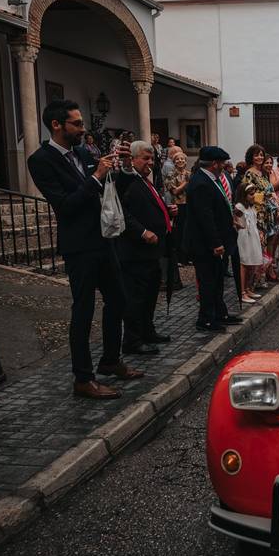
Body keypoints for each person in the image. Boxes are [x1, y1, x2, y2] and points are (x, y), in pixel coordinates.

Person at [28, 100, 142, 399]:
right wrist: (96, 177)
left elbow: (108, 189)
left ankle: (110, 360)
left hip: (103, 241)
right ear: (57, 125)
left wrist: (125, 168)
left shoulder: (81, 152)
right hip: (79, 246)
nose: (83, 128)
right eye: (76, 124)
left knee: (118, 299)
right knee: (83, 311)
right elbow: (66, 206)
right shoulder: (40, 160)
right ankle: (82, 378)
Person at [117, 141, 176, 355]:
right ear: (131, 160)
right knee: (135, 298)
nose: (150, 163)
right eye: (145, 158)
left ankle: (147, 331)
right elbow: (123, 212)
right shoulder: (126, 180)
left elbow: (149, 207)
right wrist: (142, 232)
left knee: (150, 295)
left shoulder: (145, 181)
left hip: (152, 252)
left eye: (152, 159)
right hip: (135, 252)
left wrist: (167, 211)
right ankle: (132, 341)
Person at [182, 146, 244, 332]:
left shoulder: (212, 180)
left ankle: (219, 313)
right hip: (205, 245)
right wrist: (216, 243)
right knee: (208, 281)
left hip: (219, 241)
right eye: (223, 163)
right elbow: (205, 218)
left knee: (217, 280)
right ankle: (206, 319)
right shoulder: (200, 183)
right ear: (215, 164)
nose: (225, 166)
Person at [240, 144, 279, 285]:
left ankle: (263, 274)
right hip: (257, 214)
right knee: (258, 246)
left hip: (267, 213)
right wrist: (266, 195)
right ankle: (255, 281)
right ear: (251, 157)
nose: (260, 157)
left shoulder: (262, 173)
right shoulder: (249, 173)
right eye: (256, 155)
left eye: (261, 155)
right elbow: (248, 194)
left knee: (268, 244)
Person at [234, 184, 264, 303]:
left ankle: (247, 288)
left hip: (253, 235)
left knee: (252, 263)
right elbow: (238, 223)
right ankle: (241, 292)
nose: (254, 196)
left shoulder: (251, 207)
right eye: (251, 194)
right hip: (244, 237)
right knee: (244, 263)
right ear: (244, 195)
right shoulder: (239, 207)